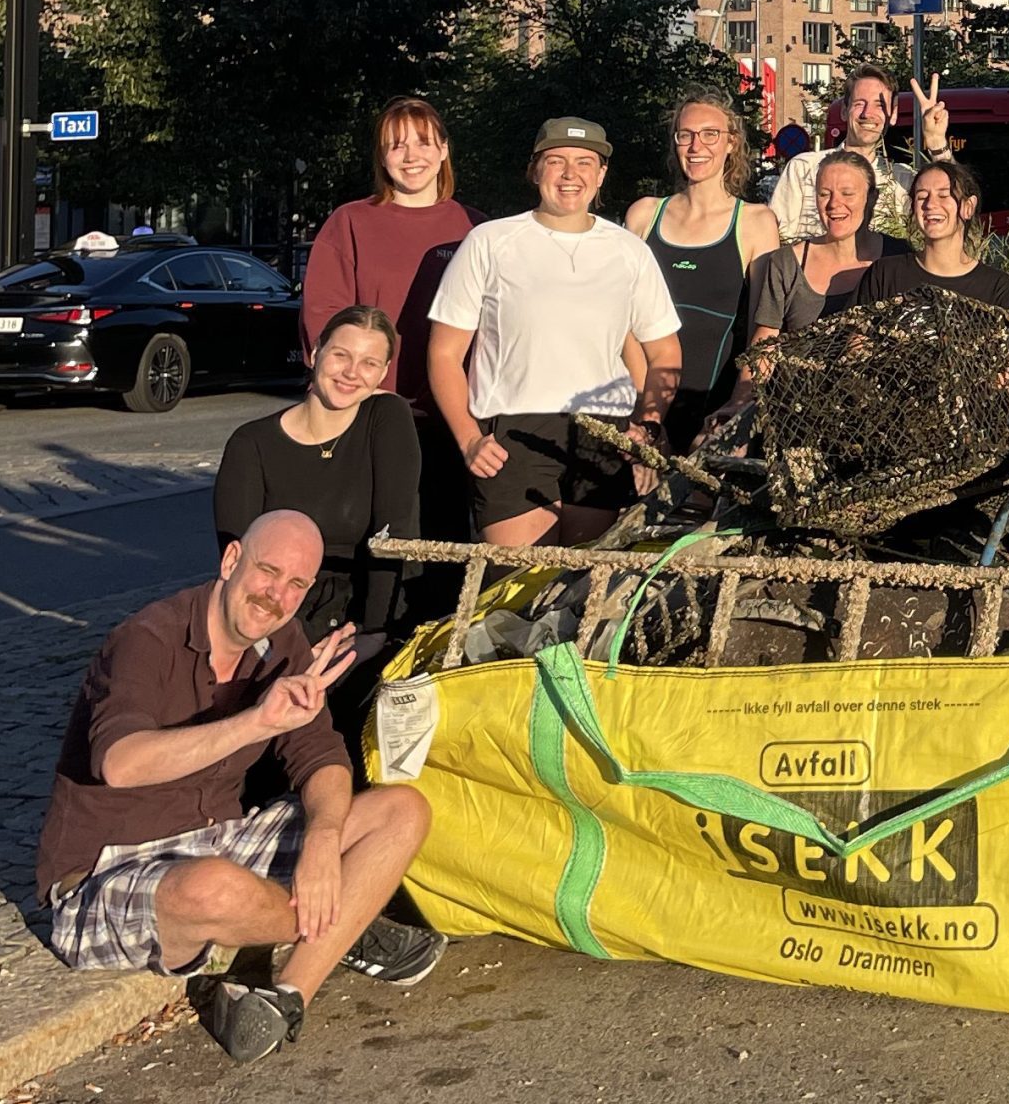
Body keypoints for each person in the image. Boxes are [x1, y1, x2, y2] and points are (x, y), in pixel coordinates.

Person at [33, 511, 442, 1063]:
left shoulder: (281, 642)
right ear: (231, 561)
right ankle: (346, 927)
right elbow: (120, 764)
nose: (276, 596)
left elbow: (319, 753)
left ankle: (288, 994)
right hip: (105, 872)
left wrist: (323, 840)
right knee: (213, 890)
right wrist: (255, 723)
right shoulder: (145, 640)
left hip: (218, 837)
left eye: (297, 584)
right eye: (268, 572)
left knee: (402, 810)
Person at [425, 117, 684, 548]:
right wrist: (469, 438)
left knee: (585, 595)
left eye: (585, 163)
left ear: (601, 175)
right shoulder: (490, 241)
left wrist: (648, 422)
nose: (570, 175)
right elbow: (444, 355)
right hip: (513, 432)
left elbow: (665, 354)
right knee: (515, 593)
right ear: (535, 170)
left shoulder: (628, 251)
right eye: (556, 161)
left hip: (602, 434)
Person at [212, 306, 419, 745]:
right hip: (281, 608)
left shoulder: (386, 419)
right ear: (315, 352)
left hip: (366, 606)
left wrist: (373, 633)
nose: (351, 373)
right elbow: (239, 559)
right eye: (341, 355)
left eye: (369, 363)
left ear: (383, 372)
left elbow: (395, 531)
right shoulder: (253, 444)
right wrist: (285, 641)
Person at [300, 97, 481, 539]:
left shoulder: (476, 229)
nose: (411, 156)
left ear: (443, 150)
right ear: (382, 157)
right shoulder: (351, 222)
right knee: (367, 537)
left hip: (451, 416)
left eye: (423, 143)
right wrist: (352, 386)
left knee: (442, 538)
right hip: (369, 409)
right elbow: (324, 313)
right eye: (396, 146)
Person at [622, 89, 779, 450]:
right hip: (640, 406)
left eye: (710, 134)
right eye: (686, 135)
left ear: (731, 144)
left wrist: (739, 404)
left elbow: (765, 328)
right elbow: (621, 320)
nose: (697, 146)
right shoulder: (645, 215)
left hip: (713, 412)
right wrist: (644, 416)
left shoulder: (755, 222)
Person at [767, 67, 953, 242]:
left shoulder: (902, 180)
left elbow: (956, 206)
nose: (867, 114)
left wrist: (937, 143)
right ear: (843, 111)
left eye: (879, 105)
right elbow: (777, 241)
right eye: (859, 103)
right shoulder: (804, 169)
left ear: (893, 114)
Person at [747, 150, 910, 340]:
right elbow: (764, 344)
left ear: (872, 198)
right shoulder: (787, 263)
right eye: (824, 194)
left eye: (847, 194)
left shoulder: (899, 256)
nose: (834, 203)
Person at [853, 159, 1009, 310]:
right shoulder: (885, 274)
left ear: (968, 207)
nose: (930, 204)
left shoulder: (996, 288)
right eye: (922, 197)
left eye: (943, 195)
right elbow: (855, 339)